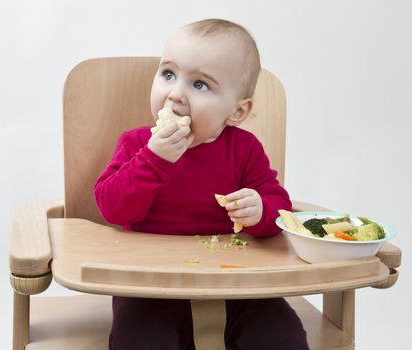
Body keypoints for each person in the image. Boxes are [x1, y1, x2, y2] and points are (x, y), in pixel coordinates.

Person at [94, 18, 308, 350]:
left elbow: (281, 209)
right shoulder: (137, 145)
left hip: (237, 285)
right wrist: (153, 159)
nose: (175, 94)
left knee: (281, 333)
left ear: (236, 111)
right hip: (149, 286)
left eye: (200, 85)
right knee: (140, 339)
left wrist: (261, 209)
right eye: (168, 75)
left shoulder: (244, 149)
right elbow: (110, 206)